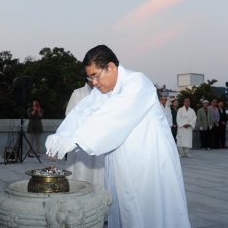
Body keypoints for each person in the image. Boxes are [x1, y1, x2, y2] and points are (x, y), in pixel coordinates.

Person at [45, 45, 190, 228]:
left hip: (148, 164)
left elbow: (113, 116)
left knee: (150, 213)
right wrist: (61, 135)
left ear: (111, 67)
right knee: (125, 211)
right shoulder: (102, 91)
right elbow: (82, 111)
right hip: (121, 164)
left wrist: (75, 140)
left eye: (96, 75)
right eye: (90, 77)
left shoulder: (137, 82)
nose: (94, 82)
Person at [65, 79, 105, 185]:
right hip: (82, 140)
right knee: (81, 172)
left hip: (98, 140)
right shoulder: (78, 93)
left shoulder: (104, 93)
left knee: (98, 172)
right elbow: (69, 115)